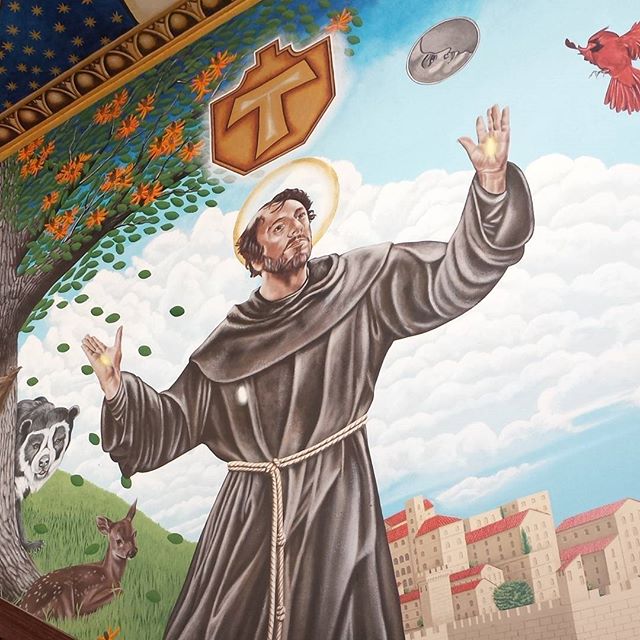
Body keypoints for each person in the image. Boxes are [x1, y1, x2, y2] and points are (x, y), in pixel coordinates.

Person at [81, 104, 534, 640]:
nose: (296, 228)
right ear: (255, 256)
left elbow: (450, 277)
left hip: (336, 499)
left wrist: (491, 187)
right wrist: (118, 390)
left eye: (301, 217)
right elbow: (171, 423)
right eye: (279, 225)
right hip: (249, 520)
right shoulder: (227, 345)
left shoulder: (359, 285)